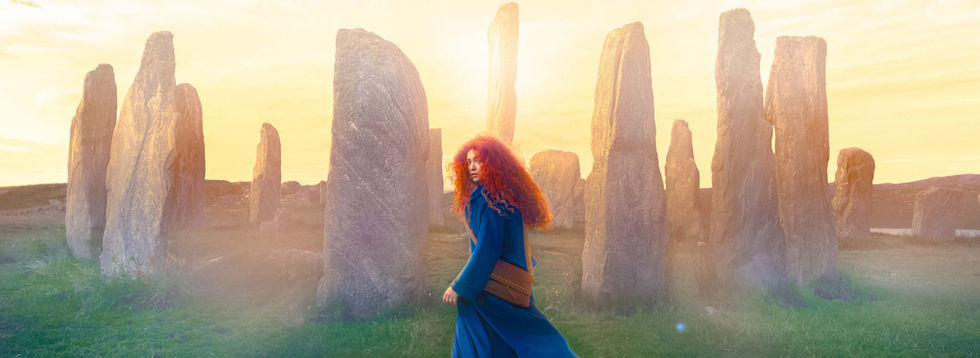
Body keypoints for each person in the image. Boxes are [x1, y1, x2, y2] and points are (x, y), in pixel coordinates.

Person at [442, 135, 577, 357]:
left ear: (493, 163)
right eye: (469, 162)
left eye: (479, 160)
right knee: (521, 338)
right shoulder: (493, 198)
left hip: (493, 288)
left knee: (525, 339)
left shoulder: (493, 200)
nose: (473, 167)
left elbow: (487, 249)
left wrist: (460, 286)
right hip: (496, 284)